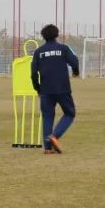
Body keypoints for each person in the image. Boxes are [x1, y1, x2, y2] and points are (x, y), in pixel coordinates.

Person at [30, 23, 80, 154]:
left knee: (47, 116)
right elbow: (74, 62)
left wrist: (38, 89)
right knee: (70, 113)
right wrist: (76, 72)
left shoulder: (38, 52)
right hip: (63, 88)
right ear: (57, 35)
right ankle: (54, 136)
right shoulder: (63, 49)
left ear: (43, 36)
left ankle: (47, 148)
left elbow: (33, 74)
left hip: (46, 90)